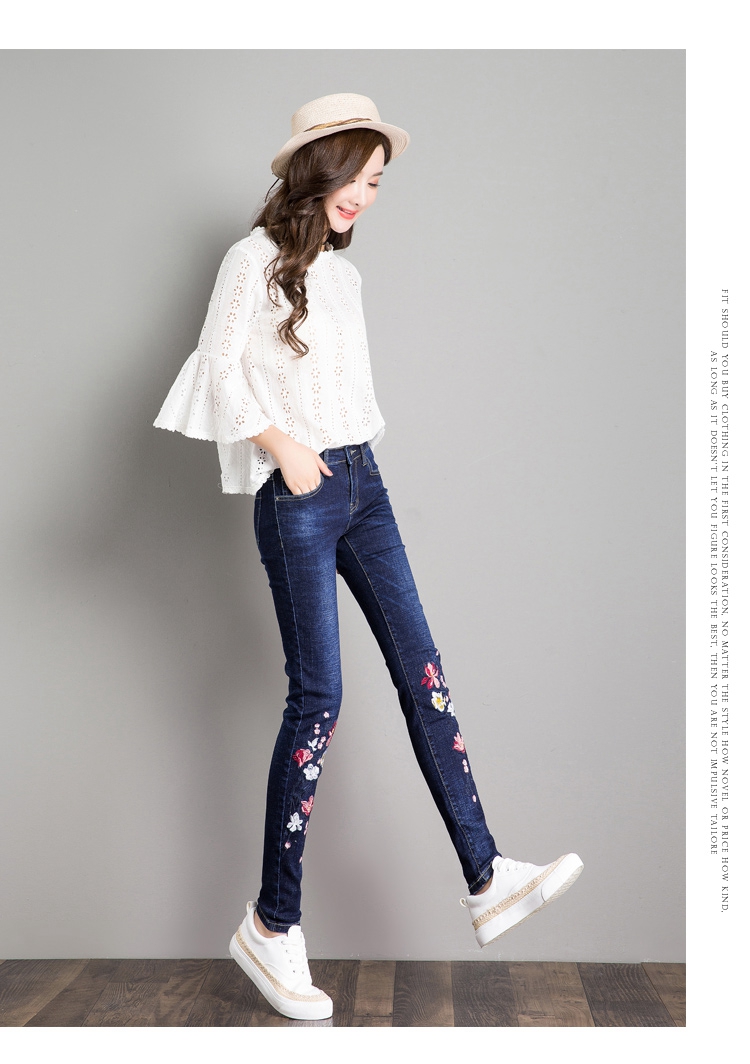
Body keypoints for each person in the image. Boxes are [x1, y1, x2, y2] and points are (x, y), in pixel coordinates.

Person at [154, 93, 583, 1022]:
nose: (365, 195)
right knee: (319, 699)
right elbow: (217, 368)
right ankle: (271, 924)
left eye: (379, 182)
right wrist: (283, 448)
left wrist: (343, 463)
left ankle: (487, 875)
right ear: (319, 168)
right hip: (301, 496)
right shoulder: (250, 260)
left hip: (365, 486)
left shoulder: (343, 278)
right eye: (356, 174)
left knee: (424, 672)